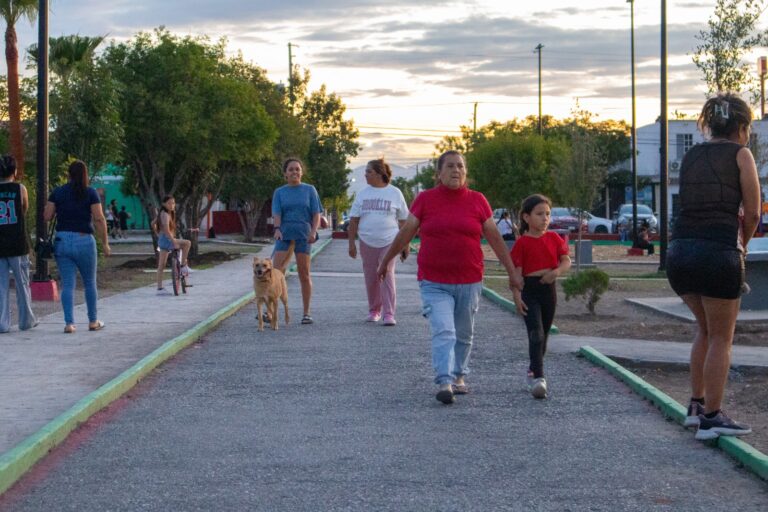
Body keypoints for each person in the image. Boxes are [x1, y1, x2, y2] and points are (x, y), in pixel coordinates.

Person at [377, 150, 523, 405]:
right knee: (444, 330)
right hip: (434, 280)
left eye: (461, 167)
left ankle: (459, 376)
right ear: (439, 173)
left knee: (464, 334)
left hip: (469, 279)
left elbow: (495, 239)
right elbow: (407, 232)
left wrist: (512, 272)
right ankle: (444, 380)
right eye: (451, 166)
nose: (457, 171)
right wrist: (386, 258)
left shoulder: (477, 201)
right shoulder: (425, 199)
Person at [666, 93, 760, 440]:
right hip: (717, 253)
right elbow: (752, 212)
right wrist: (742, 246)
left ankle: (695, 406)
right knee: (722, 336)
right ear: (741, 126)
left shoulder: (691, 155)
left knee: (703, 331)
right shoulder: (741, 154)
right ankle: (712, 416)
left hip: (679, 254)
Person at [511, 194, 571, 399]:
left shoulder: (554, 238)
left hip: (549, 289)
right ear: (526, 217)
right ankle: (539, 377)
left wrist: (555, 273)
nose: (545, 218)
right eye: (539, 214)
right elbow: (517, 274)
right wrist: (517, 296)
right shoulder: (522, 244)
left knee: (544, 334)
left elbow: (565, 261)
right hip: (530, 290)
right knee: (535, 332)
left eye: (547, 214)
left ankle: (532, 368)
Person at [44, 160, 111, 333]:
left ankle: (69, 323)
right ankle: (93, 321)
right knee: (89, 282)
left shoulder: (58, 192)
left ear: (68, 174)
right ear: (84, 175)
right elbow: (99, 218)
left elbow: (47, 216)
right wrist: (105, 243)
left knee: (67, 285)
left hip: (62, 240)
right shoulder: (90, 193)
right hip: (84, 241)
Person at [347, 158, 410, 326]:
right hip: (367, 240)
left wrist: (405, 245)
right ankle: (374, 310)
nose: (365, 174)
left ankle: (389, 313)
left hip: (390, 240)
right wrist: (351, 244)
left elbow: (404, 221)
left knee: (387, 273)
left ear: (379, 174)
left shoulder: (395, 193)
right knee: (371, 276)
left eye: (369, 171)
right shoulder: (363, 193)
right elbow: (353, 220)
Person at [271, 158, 322, 325]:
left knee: (304, 274)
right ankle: (270, 312)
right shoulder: (279, 192)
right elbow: (277, 213)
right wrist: (277, 229)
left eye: (297, 169)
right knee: (276, 273)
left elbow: (316, 214)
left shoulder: (309, 190)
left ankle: (306, 312)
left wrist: (314, 231)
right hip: (284, 233)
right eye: (291, 169)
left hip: (304, 234)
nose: (294, 172)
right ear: (285, 174)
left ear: (302, 172)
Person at [0, 155, 37, 333]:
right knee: (22, 284)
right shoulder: (20, 189)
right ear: (14, 171)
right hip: (18, 243)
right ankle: (26, 320)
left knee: (1, 286)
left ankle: (2, 323)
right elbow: (24, 209)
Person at [154, 196, 192, 293]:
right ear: (164, 204)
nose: (172, 205)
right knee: (187, 243)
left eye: (173, 203)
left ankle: (159, 288)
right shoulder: (166, 215)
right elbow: (167, 229)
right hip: (168, 240)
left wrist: (158, 234)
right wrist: (172, 240)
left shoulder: (161, 213)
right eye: (169, 203)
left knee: (161, 265)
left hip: (162, 240)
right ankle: (183, 266)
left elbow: (152, 224)